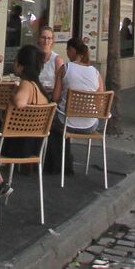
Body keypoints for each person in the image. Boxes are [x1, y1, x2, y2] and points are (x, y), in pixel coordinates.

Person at [0, 44, 51, 202]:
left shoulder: (27, 85)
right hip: (33, 145)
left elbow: (19, 103)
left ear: (21, 65)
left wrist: (13, 94)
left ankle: (0, 182)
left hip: (15, 145)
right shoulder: (40, 90)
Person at [52, 37, 104, 175]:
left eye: (67, 50)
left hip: (66, 123)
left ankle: (57, 164)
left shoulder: (65, 68)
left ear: (72, 50)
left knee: (52, 123)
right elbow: (100, 101)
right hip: (90, 124)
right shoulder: (96, 73)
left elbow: (55, 97)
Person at [38, 26, 67, 101]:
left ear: (52, 41)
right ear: (38, 39)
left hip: (50, 96)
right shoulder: (33, 57)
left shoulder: (57, 60)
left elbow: (62, 84)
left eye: (49, 38)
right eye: (43, 38)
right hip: (34, 93)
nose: (46, 41)